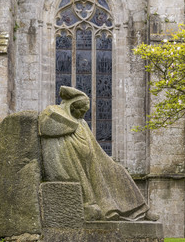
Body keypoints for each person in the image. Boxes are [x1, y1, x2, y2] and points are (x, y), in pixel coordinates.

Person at [38, 86, 158, 221]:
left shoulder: (81, 122)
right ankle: (111, 209)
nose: (83, 114)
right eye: (81, 111)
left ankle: (142, 209)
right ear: (72, 106)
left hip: (93, 159)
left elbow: (94, 146)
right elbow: (47, 127)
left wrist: (106, 160)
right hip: (77, 163)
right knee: (99, 176)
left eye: (85, 111)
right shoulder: (53, 114)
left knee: (119, 170)